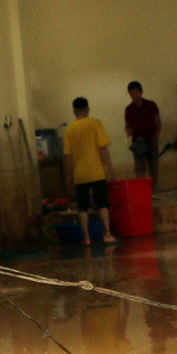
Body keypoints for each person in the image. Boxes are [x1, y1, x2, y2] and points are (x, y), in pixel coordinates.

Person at [63, 97, 118, 245]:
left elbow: (67, 156)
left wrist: (69, 175)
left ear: (74, 112)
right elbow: (102, 149)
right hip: (97, 172)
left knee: (82, 207)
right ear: (88, 109)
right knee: (102, 204)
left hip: (80, 175)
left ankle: (86, 238)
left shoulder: (69, 130)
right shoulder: (96, 124)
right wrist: (111, 168)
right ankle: (107, 234)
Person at [124, 80, 161, 187]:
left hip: (151, 139)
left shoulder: (151, 105)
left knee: (153, 168)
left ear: (141, 92)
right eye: (131, 94)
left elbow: (158, 122)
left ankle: (153, 191)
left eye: (136, 93)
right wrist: (128, 131)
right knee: (140, 169)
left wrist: (156, 137)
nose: (134, 96)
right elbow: (128, 125)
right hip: (138, 141)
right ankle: (142, 191)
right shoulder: (129, 109)